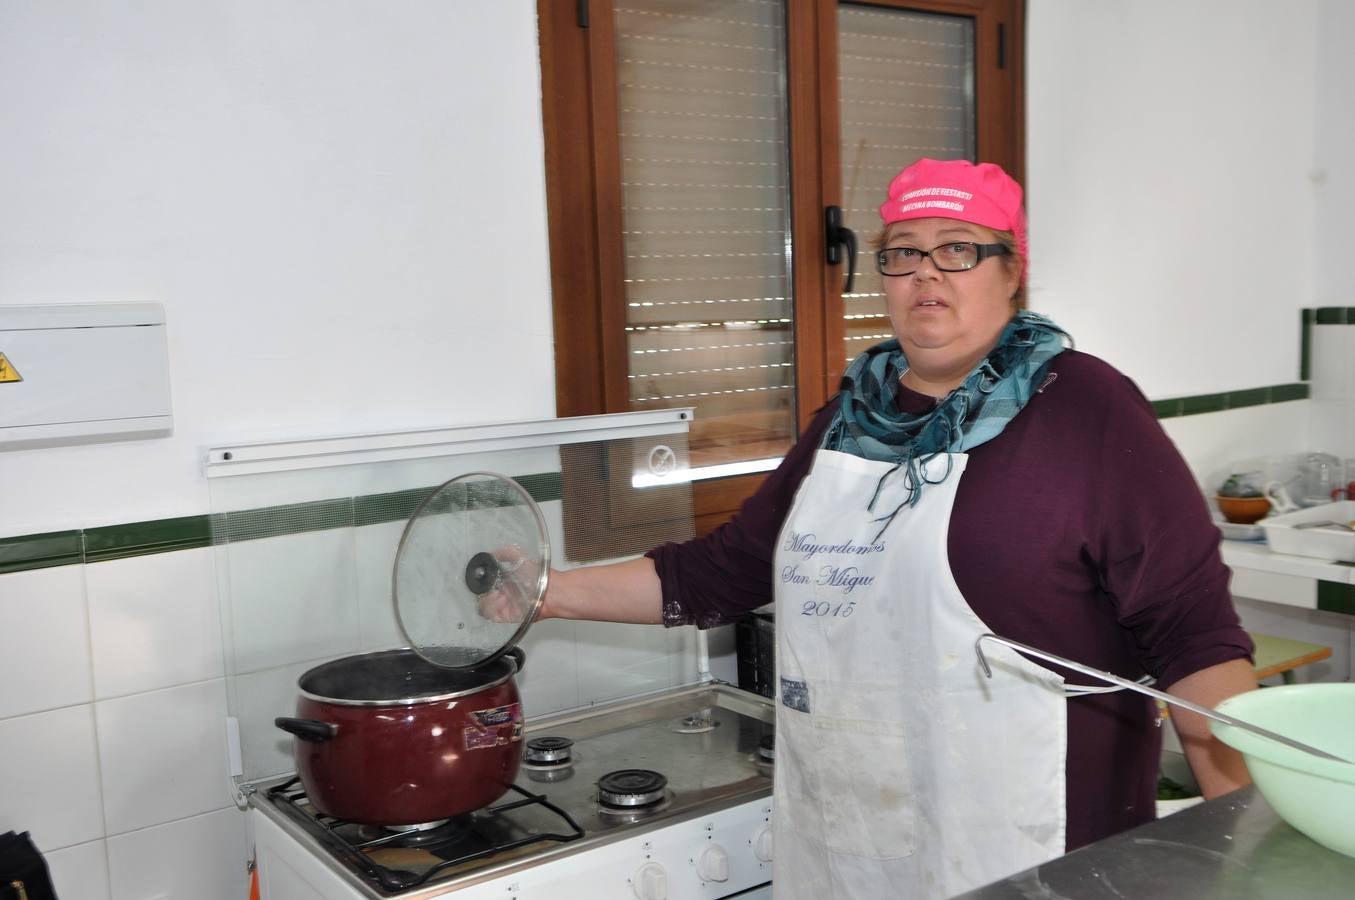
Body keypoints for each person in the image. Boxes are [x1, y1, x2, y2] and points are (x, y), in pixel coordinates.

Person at [533, 158, 1256, 898]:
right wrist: (543, 592)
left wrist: (1242, 844)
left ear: (1012, 272)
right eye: (903, 251)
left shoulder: (1086, 410)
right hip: (854, 835)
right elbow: (719, 574)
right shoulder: (851, 419)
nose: (927, 274)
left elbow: (1193, 635)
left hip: (1039, 846)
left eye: (958, 248)